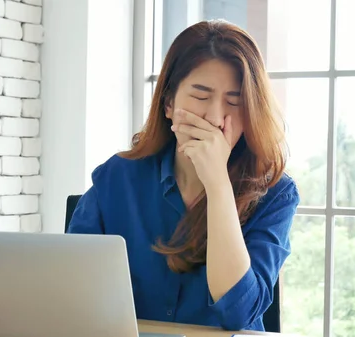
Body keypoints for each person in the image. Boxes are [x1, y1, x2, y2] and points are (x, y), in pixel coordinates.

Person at [67, 19, 300, 332]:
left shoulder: (276, 193)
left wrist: (217, 183)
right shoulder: (117, 177)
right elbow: (70, 295)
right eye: (201, 97)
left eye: (234, 102)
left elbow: (238, 313)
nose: (216, 118)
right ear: (168, 104)